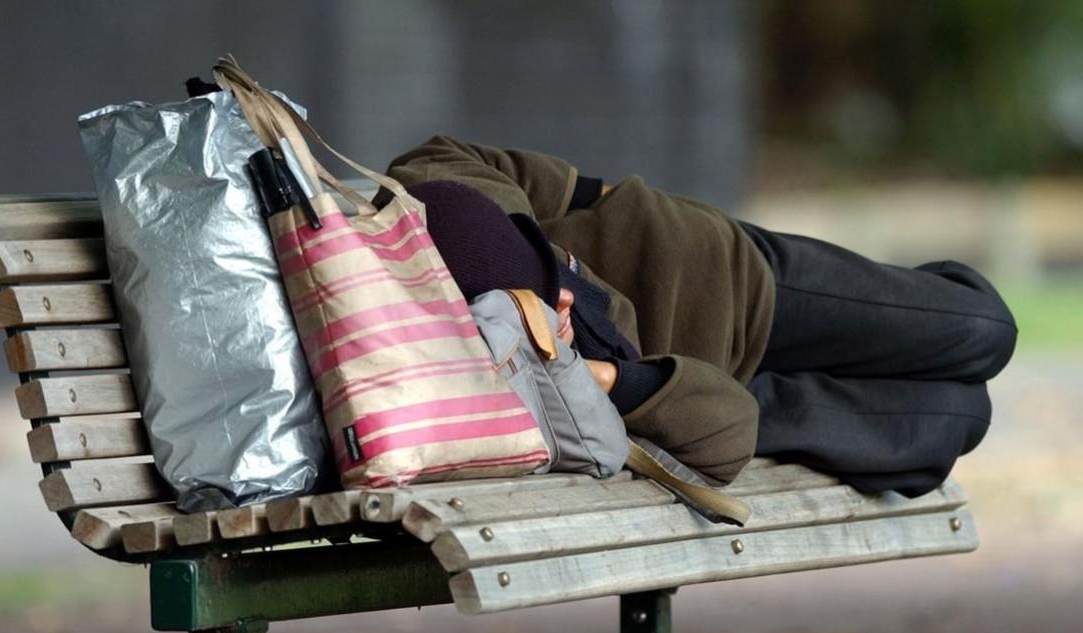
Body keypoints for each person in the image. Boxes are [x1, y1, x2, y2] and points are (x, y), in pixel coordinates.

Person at [374, 135, 1018, 498]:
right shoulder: (536, 383)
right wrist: (604, 379)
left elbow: (443, 158)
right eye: (547, 319)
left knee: (985, 329)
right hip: (718, 387)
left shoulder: (439, 219)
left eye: (553, 292)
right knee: (955, 420)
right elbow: (731, 425)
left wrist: (604, 200)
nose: (565, 305)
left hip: (735, 277)